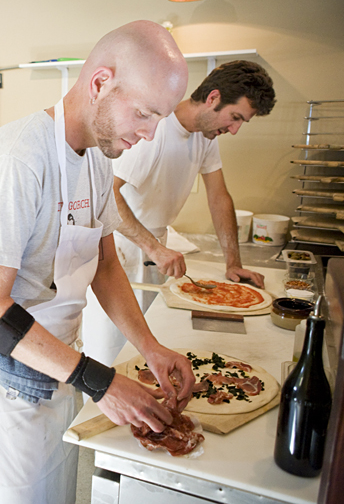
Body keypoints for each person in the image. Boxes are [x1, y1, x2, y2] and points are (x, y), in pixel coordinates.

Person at [0, 20, 195, 504]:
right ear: (100, 83)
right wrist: (100, 381)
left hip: (62, 363)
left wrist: (149, 347)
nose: (148, 135)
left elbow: (104, 262)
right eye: (144, 114)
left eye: (158, 120)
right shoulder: (19, 160)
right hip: (9, 379)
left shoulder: (95, 157)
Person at [82, 60, 277, 367]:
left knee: (145, 352)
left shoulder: (206, 136)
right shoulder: (153, 132)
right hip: (121, 249)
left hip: (153, 248)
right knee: (112, 354)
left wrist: (233, 262)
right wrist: (154, 247)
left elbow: (219, 198)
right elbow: (107, 196)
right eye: (235, 117)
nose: (235, 130)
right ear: (213, 99)